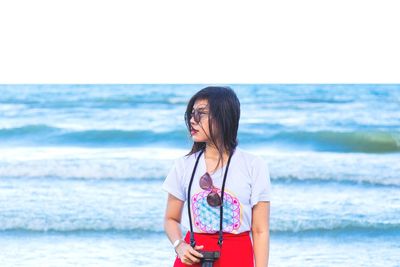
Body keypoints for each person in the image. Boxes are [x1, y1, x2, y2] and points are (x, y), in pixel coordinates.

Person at [163, 86, 271, 267]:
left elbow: (260, 230)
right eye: (191, 114)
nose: (192, 120)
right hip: (192, 255)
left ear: (223, 117)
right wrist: (179, 245)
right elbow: (170, 219)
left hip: (237, 256)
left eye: (201, 113)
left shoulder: (253, 165)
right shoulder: (183, 165)